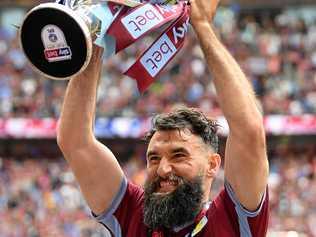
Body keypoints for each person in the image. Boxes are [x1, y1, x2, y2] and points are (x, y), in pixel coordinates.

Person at [57, 0, 269, 236]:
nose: (163, 169)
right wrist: (95, 33)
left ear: (212, 165)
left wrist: (202, 26)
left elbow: (249, 131)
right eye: (154, 158)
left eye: (179, 155)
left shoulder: (232, 219)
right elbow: (75, 141)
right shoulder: (134, 213)